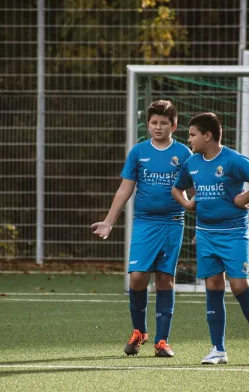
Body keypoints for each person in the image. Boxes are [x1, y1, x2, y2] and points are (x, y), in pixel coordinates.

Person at [171, 112, 249, 366]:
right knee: (213, 287)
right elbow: (178, 187)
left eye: (193, 134)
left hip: (233, 234)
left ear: (208, 136)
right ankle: (218, 349)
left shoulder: (233, 160)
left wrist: (241, 199)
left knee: (239, 286)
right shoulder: (192, 162)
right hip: (205, 234)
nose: (189, 139)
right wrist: (188, 204)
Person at [91, 100, 192, 357]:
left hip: (172, 223)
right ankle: (139, 332)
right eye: (154, 122)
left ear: (174, 125)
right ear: (147, 124)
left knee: (164, 280)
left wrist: (209, 216)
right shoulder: (138, 152)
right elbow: (125, 188)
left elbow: (194, 190)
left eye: (163, 123)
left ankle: (162, 340)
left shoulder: (183, 153)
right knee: (137, 278)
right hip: (144, 222)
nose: (158, 127)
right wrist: (109, 221)